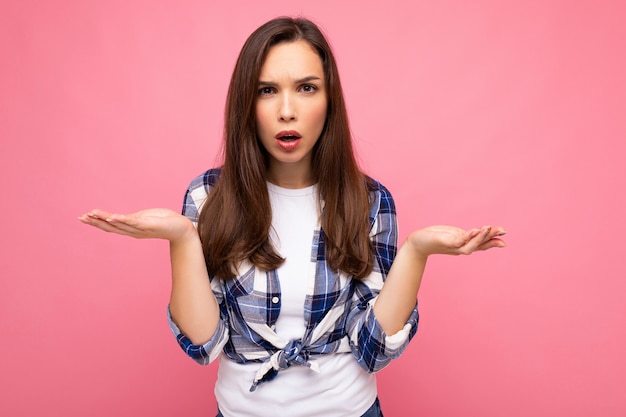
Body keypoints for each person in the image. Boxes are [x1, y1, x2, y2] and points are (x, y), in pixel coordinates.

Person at [79, 16, 505, 417]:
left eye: (306, 88)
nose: (287, 110)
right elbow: (204, 344)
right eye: (267, 90)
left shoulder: (370, 201)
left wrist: (416, 251)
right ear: (246, 102)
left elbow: (372, 351)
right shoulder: (207, 196)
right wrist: (182, 239)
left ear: (329, 99)